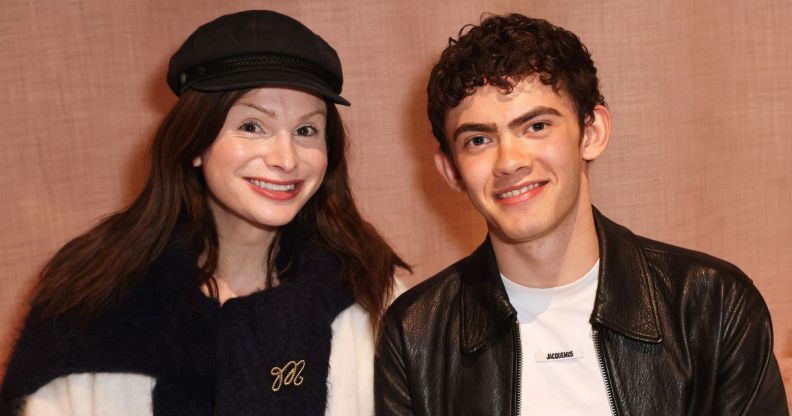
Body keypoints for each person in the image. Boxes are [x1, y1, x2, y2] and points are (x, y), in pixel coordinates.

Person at [375, 13, 788, 415]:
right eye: (479, 139)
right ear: (451, 170)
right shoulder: (416, 334)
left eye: (536, 126)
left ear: (591, 133)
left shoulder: (710, 304)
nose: (509, 162)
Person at [1, 10, 407, 416]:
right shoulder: (92, 297)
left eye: (306, 131)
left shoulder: (370, 293)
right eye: (252, 126)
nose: (286, 159)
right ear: (195, 142)